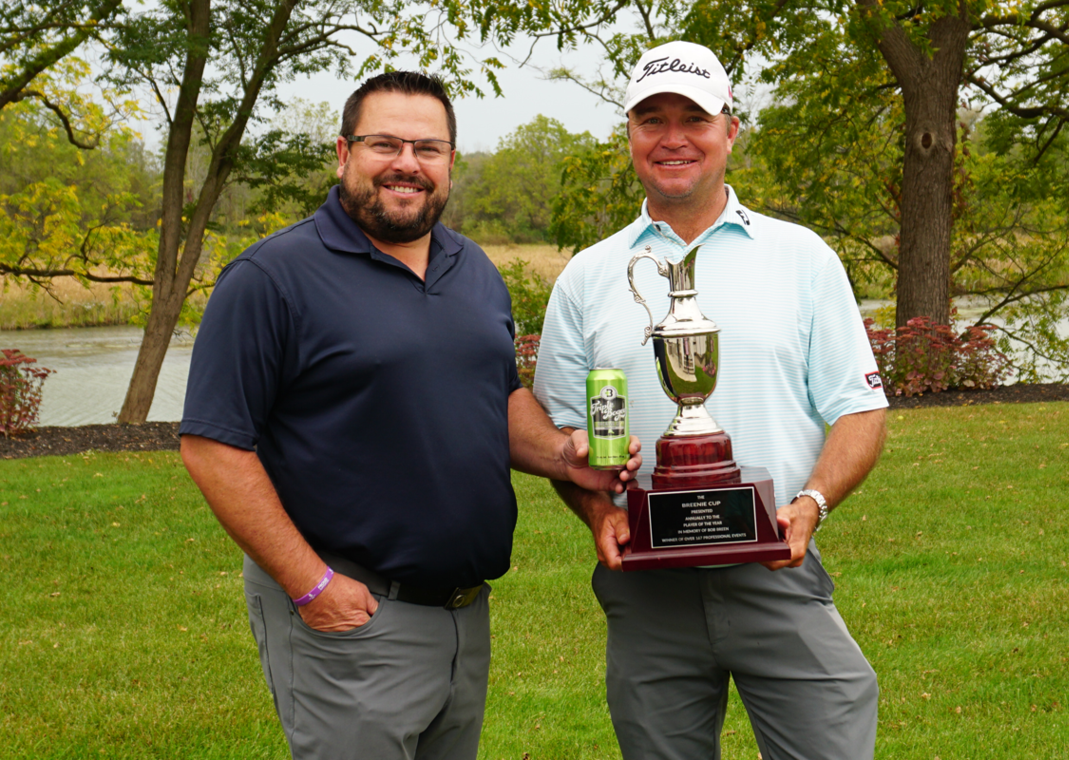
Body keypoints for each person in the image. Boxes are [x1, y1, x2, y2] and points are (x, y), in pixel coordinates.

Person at [179, 71, 640, 760]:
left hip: (463, 615)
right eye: (384, 144)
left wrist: (562, 455)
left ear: (451, 162)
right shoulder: (272, 278)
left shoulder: (474, 270)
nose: (407, 163)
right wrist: (312, 585)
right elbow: (213, 446)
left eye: (427, 147)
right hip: (351, 613)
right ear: (343, 153)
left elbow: (499, 397)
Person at [533, 41, 889, 760]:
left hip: (774, 568)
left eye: (693, 118)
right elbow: (562, 431)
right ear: (629, 135)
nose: (672, 139)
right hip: (645, 588)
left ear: (730, 130)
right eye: (651, 119)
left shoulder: (802, 258)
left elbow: (859, 407)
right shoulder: (589, 274)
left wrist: (811, 506)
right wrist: (597, 510)